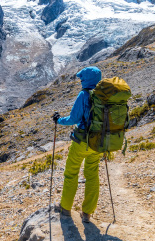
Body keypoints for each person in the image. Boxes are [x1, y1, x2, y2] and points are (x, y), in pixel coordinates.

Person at [51, 66, 102, 223]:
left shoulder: (84, 94)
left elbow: (73, 119)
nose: (80, 80)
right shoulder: (104, 95)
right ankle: (87, 213)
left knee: (71, 173)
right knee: (92, 174)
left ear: (86, 80)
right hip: (98, 142)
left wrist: (58, 119)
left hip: (81, 142)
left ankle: (66, 208)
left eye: (82, 78)